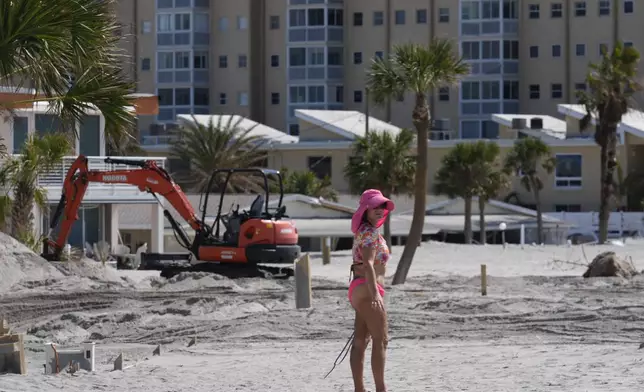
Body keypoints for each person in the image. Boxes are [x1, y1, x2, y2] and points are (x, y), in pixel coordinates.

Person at [348, 189, 394, 392]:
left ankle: (360, 389)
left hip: (361, 287)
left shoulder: (366, 231)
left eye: (382, 206)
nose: (379, 209)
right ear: (365, 209)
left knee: (361, 340)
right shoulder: (369, 232)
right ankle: (380, 389)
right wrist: (375, 292)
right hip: (368, 288)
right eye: (375, 206)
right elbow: (367, 263)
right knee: (381, 339)